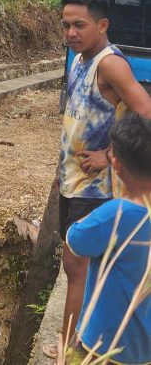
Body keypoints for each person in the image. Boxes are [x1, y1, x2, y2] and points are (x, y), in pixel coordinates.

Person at [46, 0, 151, 359]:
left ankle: (70, 346)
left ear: (102, 25)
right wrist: (64, 169)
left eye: (80, 25)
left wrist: (110, 155)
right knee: (77, 264)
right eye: (66, 25)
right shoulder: (78, 59)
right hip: (75, 179)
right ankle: (76, 338)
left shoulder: (110, 64)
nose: (71, 33)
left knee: (75, 263)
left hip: (97, 185)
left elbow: (146, 111)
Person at [65, 112, 151, 364]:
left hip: (103, 346)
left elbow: (76, 238)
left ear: (117, 166)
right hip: (144, 349)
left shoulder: (116, 214)